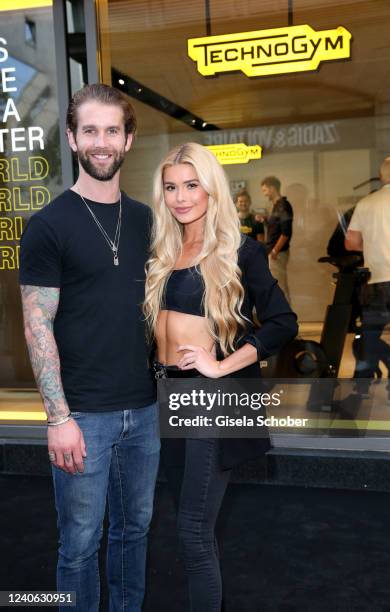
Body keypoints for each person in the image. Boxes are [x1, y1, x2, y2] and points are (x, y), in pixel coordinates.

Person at [19, 84, 160, 611]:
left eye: (112, 131)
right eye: (90, 131)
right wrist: (58, 417)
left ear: (128, 139)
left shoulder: (148, 220)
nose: (102, 142)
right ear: (74, 141)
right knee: (79, 547)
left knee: (135, 533)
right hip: (82, 416)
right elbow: (38, 326)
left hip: (144, 412)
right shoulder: (49, 225)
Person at [144, 142, 297, 611]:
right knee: (190, 528)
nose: (181, 197)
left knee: (192, 530)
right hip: (168, 392)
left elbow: (282, 322)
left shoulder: (240, 251)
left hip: (211, 398)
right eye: (171, 187)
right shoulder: (166, 250)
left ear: (212, 189)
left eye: (192, 185)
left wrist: (220, 366)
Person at [345, 155, 390, 405]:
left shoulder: (366, 202)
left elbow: (350, 242)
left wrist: (373, 245)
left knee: (370, 335)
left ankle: (362, 388)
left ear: (382, 175)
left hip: (375, 280)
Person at [259, 175, 293, 302]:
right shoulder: (277, 205)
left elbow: (286, 232)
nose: (264, 194)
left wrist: (274, 251)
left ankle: (285, 319)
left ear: (272, 188)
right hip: (275, 252)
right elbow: (276, 227)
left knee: (280, 287)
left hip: (277, 253)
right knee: (280, 286)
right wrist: (265, 220)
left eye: (265, 190)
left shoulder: (283, 205)